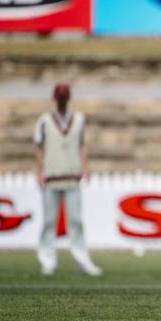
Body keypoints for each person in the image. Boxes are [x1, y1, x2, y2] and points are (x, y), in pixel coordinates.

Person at [33, 83, 102, 276]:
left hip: (72, 176)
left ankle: (82, 260)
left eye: (64, 98)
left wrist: (85, 168)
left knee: (76, 220)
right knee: (49, 221)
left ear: (68, 98)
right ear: (56, 99)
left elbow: (82, 145)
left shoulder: (79, 119)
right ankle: (48, 261)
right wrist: (40, 171)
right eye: (60, 98)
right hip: (51, 176)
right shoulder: (44, 121)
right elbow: (38, 147)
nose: (62, 101)